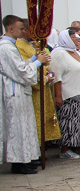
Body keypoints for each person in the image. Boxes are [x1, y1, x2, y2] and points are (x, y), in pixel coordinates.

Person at [1, 16, 50, 173]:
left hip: (20, 91)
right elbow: (20, 71)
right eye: (21, 29)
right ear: (10, 28)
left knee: (25, 126)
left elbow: (21, 65)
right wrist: (37, 62)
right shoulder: (5, 48)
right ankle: (18, 162)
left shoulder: (11, 46)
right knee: (17, 128)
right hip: (14, 92)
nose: (24, 31)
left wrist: (35, 58)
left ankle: (27, 158)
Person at [49, 30, 80, 158]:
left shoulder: (77, 53)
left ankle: (79, 145)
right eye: (73, 37)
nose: (78, 40)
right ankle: (65, 149)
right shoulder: (59, 54)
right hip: (68, 94)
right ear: (66, 39)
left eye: (78, 37)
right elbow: (57, 76)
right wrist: (58, 96)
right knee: (68, 122)